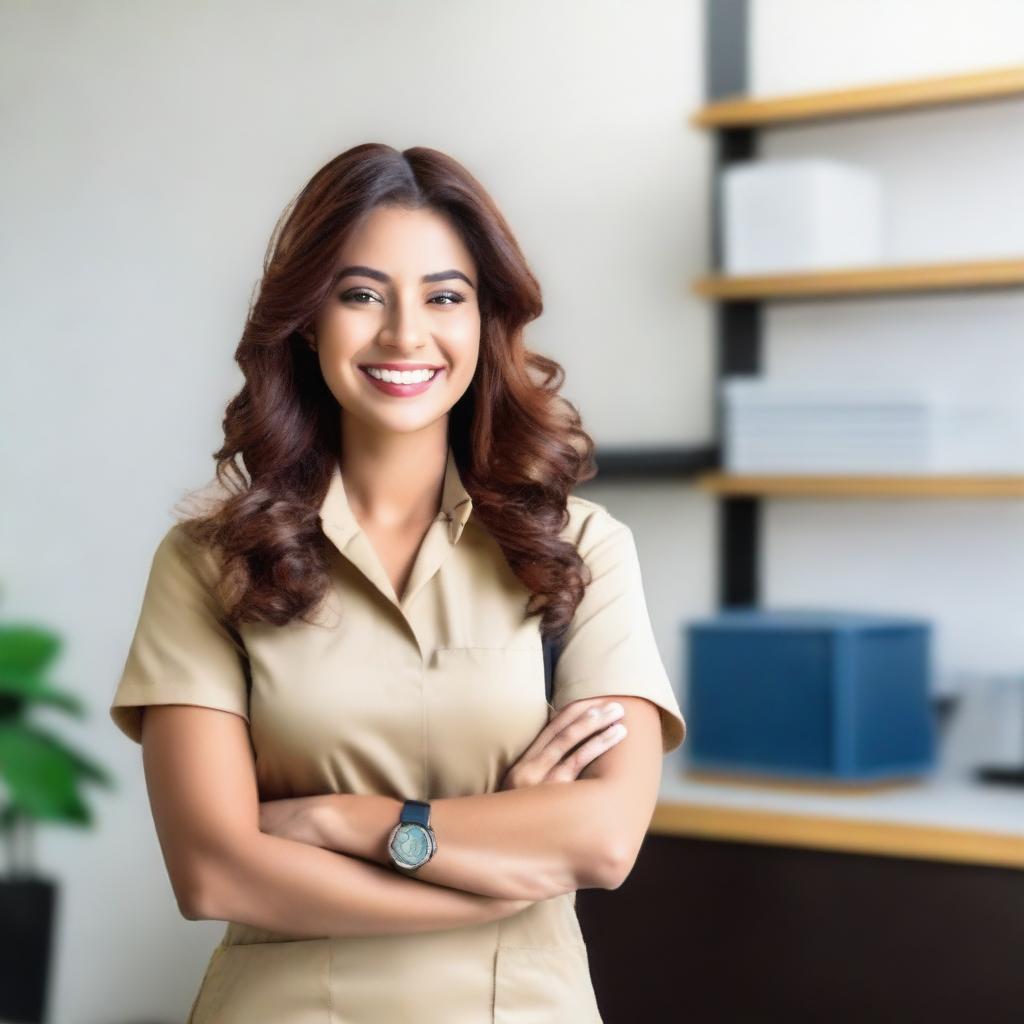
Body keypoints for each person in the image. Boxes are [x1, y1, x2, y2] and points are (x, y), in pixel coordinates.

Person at [109, 143, 687, 1024]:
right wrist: (494, 883)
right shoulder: (207, 563)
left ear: (485, 319)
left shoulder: (582, 550)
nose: (404, 334)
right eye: (361, 294)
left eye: (445, 296)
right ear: (307, 319)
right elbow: (215, 870)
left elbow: (604, 840)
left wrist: (345, 820)